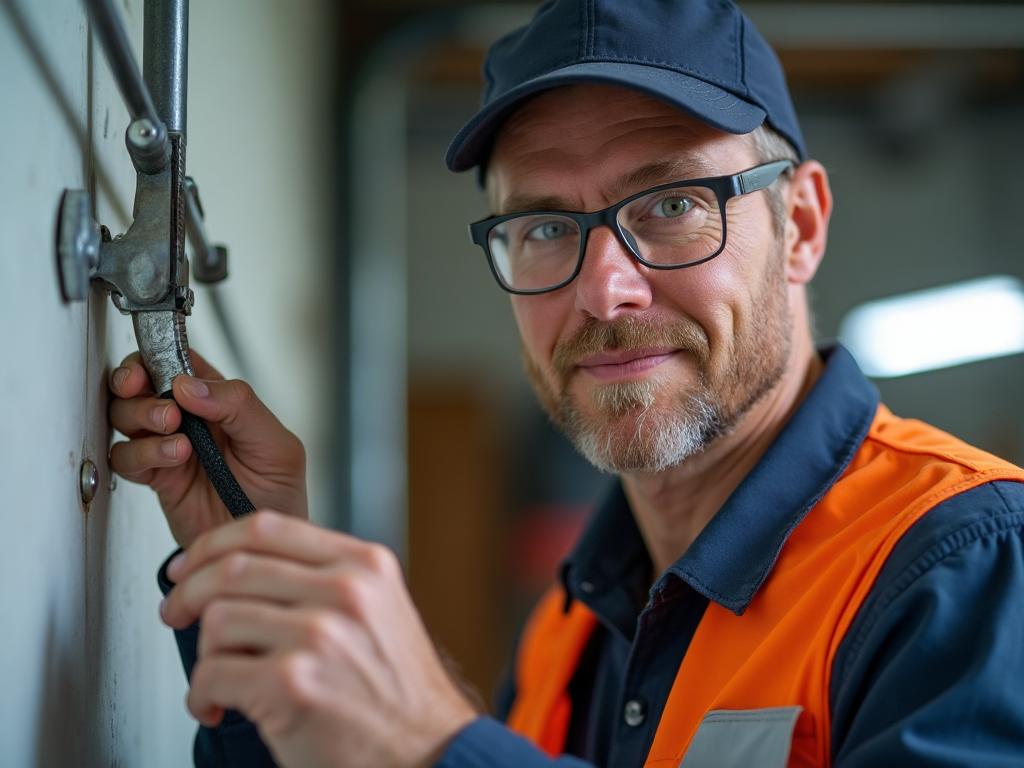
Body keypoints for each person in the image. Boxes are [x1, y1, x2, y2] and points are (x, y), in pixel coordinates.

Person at [108, 1, 1024, 766]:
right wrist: (263, 575)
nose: (602, 290)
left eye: (671, 205)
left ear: (804, 224)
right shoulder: (574, 622)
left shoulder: (966, 565)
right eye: (545, 225)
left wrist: (440, 745)